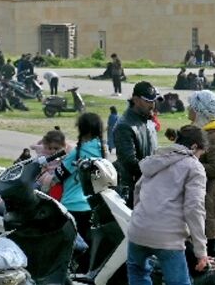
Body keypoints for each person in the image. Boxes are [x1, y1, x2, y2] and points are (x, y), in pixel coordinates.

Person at [126, 125, 212, 285]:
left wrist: (142, 216)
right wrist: (201, 250)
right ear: (194, 147)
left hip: (139, 229)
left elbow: (138, 190)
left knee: (137, 271)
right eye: (201, 153)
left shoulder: (156, 159)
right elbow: (194, 208)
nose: (200, 158)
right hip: (169, 237)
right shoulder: (193, 166)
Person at [189, 91, 215, 263]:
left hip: (211, 199)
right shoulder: (203, 133)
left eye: (192, 107)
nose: (189, 110)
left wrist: (190, 164)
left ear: (200, 110)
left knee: (209, 252)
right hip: (203, 195)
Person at [61, 112, 105, 246]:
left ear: (80, 129)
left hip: (72, 205)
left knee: (73, 248)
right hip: (93, 206)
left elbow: (57, 176)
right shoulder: (102, 151)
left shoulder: (77, 153)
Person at [113, 82, 159, 200]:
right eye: (147, 101)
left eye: (153, 101)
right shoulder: (124, 126)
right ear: (136, 100)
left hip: (150, 187)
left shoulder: (148, 121)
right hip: (133, 191)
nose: (152, 105)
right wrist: (157, 170)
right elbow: (130, 163)